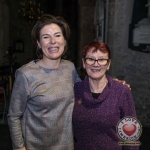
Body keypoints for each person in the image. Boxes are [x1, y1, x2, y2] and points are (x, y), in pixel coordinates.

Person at [7, 14, 81, 150]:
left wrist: (112, 84)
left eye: (58, 35)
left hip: (66, 145)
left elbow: (86, 90)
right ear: (38, 43)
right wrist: (19, 147)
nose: (53, 41)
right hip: (35, 146)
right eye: (46, 37)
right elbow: (13, 116)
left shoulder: (69, 68)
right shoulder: (26, 74)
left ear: (65, 41)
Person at [72, 41, 139, 150]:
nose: (96, 64)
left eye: (102, 59)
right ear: (84, 63)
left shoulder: (121, 91)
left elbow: (131, 136)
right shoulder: (76, 90)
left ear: (108, 64)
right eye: (91, 59)